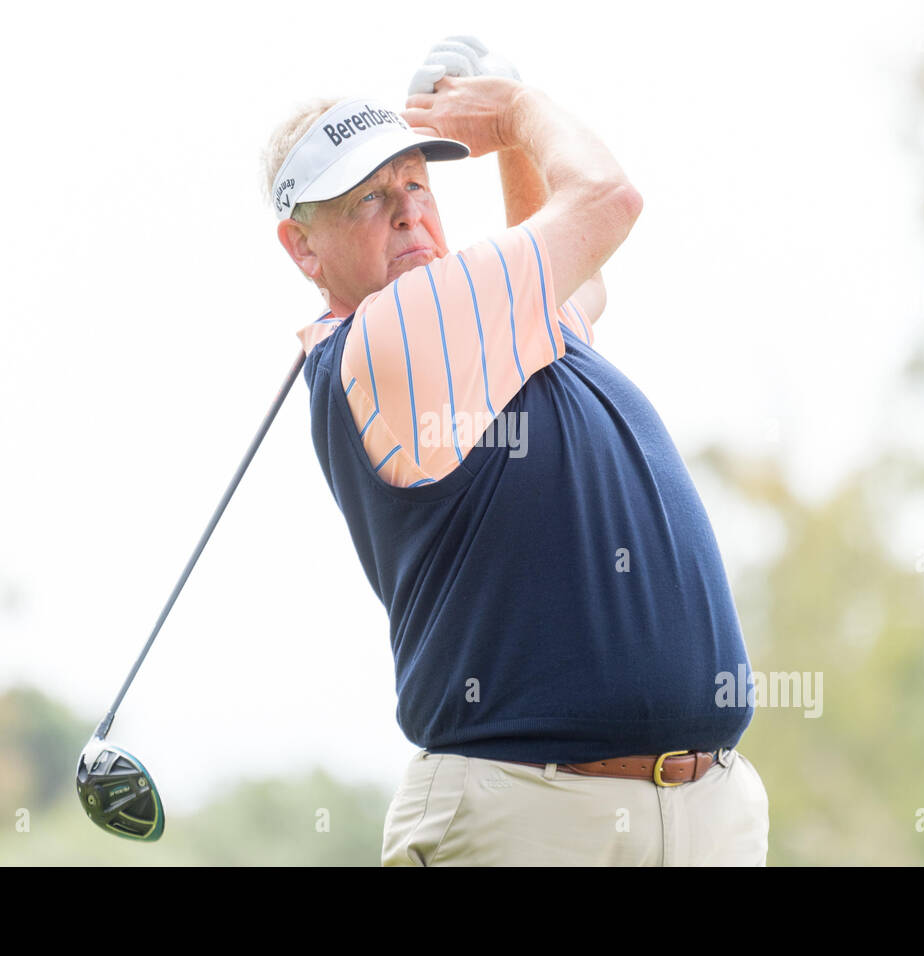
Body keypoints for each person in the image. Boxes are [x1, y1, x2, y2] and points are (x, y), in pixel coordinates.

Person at [262, 43, 768, 866]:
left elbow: (570, 280)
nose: (407, 213)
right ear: (303, 249)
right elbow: (607, 198)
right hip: (526, 818)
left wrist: (507, 145)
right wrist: (516, 115)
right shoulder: (396, 331)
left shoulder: (483, 328)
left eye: (417, 184)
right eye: (365, 200)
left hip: (695, 812)